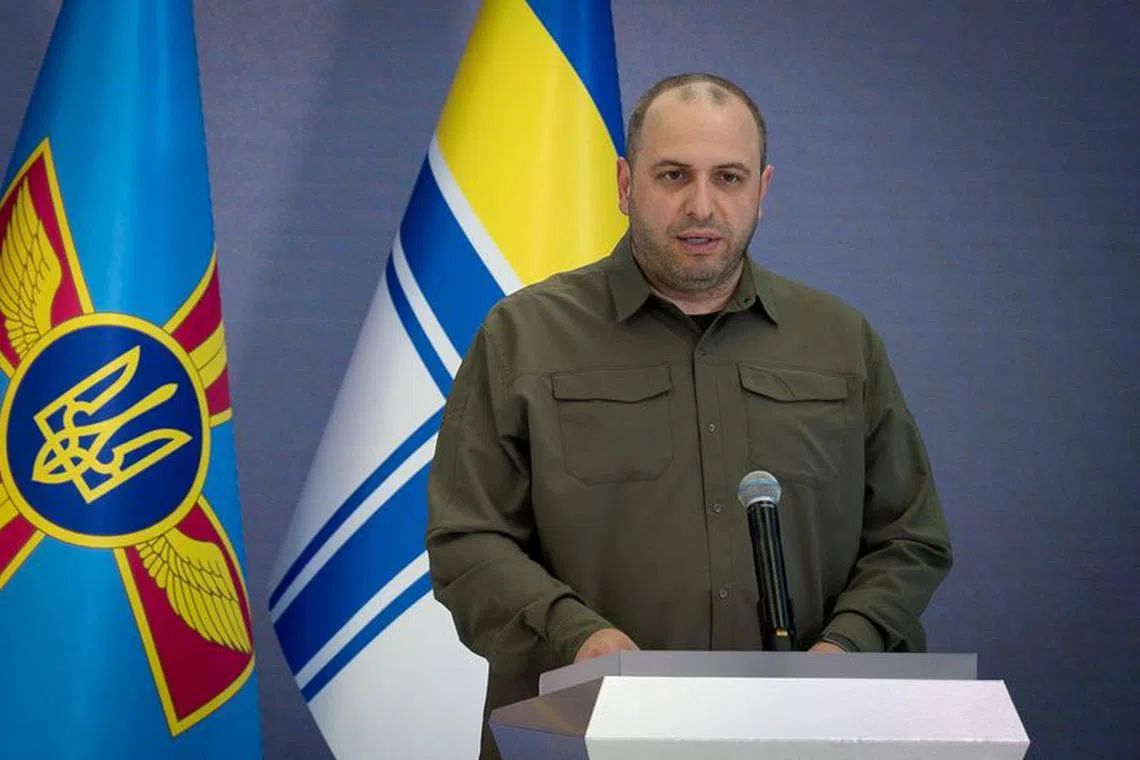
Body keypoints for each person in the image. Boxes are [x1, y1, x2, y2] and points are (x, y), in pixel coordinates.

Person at [425, 72, 953, 760]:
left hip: (801, 737)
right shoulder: (523, 336)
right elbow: (467, 540)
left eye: (728, 178)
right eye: (673, 174)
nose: (701, 206)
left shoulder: (840, 341)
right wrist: (578, 637)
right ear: (624, 184)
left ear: (762, 190)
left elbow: (911, 538)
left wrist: (844, 646)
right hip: (581, 736)